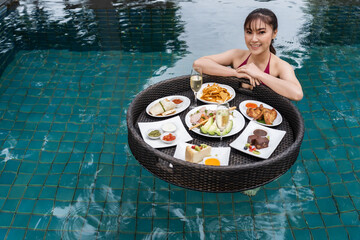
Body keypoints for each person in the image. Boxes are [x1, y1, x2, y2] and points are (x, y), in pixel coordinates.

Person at [193, 8, 303, 101]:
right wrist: (235, 73)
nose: (254, 39)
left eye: (261, 32)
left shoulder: (280, 66)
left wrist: (259, 74)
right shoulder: (237, 55)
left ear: (274, 33)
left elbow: (297, 93)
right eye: (249, 32)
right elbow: (199, 64)